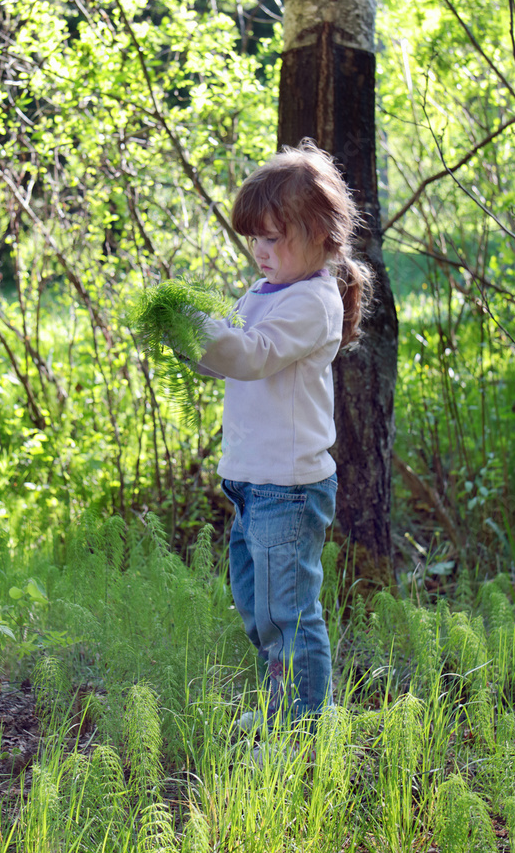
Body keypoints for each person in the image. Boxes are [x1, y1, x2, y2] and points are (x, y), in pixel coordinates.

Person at [195, 139, 373, 724]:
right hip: (251, 479)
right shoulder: (266, 289)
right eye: (255, 239)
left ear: (320, 234)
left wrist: (202, 335)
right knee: (257, 607)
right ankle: (283, 709)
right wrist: (192, 342)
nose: (260, 251)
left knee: (288, 612)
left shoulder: (313, 301)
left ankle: (306, 724)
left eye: (273, 238)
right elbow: (232, 352)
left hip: (288, 487)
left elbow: (253, 354)